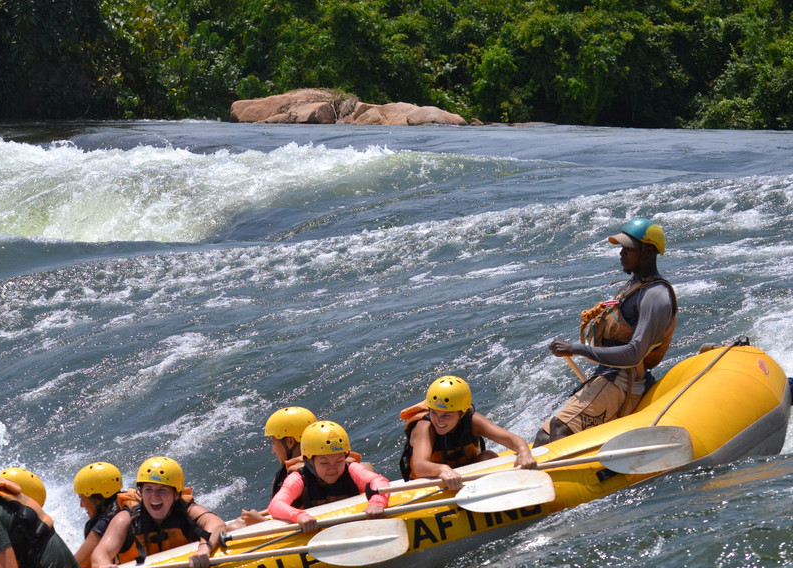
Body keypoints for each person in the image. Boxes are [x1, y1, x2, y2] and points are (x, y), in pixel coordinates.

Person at [535, 219, 677, 445]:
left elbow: (635, 354)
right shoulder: (634, 286)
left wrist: (576, 349)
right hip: (607, 376)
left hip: (622, 382)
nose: (621, 253)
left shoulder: (656, 295)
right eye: (621, 247)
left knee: (558, 429)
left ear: (649, 251)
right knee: (543, 436)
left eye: (628, 248)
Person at [90, 456, 226, 568]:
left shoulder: (187, 510)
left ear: (176, 494)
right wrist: (104, 566)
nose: (154, 497)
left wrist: (204, 549)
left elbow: (216, 524)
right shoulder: (126, 518)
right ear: (141, 492)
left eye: (162, 490)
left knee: (234, 527)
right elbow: (100, 553)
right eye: (148, 489)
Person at [399, 375, 537, 491]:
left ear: (462, 413)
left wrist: (524, 451)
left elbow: (511, 439)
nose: (438, 420)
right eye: (433, 413)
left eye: (447, 415)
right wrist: (442, 469)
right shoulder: (425, 427)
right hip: (431, 482)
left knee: (488, 456)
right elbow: (420, 466)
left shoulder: (472, 420)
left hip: (465, 476)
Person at [267, 421, 389, 533]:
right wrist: (299, 516)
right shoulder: (298, 478)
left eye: (339, 461)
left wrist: (377, 502)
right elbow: (276, 504)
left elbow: (379, 480)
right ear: (309, 461)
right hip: (316, 532)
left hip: (355, 526)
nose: (333, 468)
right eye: (324, 463)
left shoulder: (351, 469)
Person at [239, 406, 317, 525]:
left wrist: (262, 521)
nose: (273, 451)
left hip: (306, 527)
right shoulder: (330, 462)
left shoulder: (301, 475)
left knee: (234, 527)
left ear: (290, 442)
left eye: (273, 442)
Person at [71, 461, 136, 568]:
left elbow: (76, 566)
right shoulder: (130, 503)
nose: (81, 505)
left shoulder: (106, 521)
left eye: (82, 499)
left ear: (97, 499)